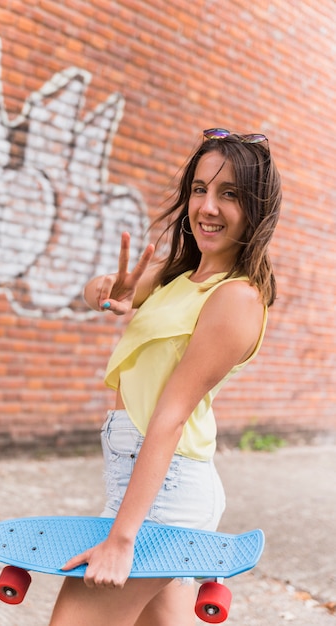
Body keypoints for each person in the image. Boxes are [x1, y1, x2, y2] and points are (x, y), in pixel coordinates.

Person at [48, 128, 282, 626]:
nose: (208, 207)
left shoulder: (235, 298)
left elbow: (171, 417)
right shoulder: (180, 276)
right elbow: (107, 294)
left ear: (257, 209)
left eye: (230, 194)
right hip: (138, 480)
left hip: (166, 492)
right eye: (200, 189)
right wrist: (109, 291)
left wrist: (122, 538)